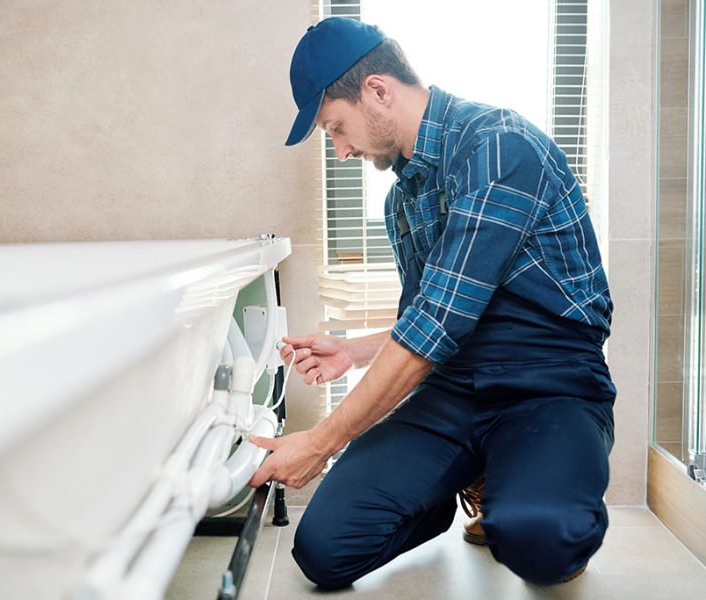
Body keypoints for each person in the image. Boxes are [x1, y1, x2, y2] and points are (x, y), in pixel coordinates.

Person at [248, 17, 616, 589]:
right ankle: (462, 479)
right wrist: (353, 350)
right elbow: (428, 319)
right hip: (452, 389)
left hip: (548, 385)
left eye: (336, 128)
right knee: (323, 550)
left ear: (377, 90)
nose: (341, 150)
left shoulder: (498, 148)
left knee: (540, 539)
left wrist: (319, 443)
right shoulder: (404, 199)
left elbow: (434, 330)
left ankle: (518, 486)